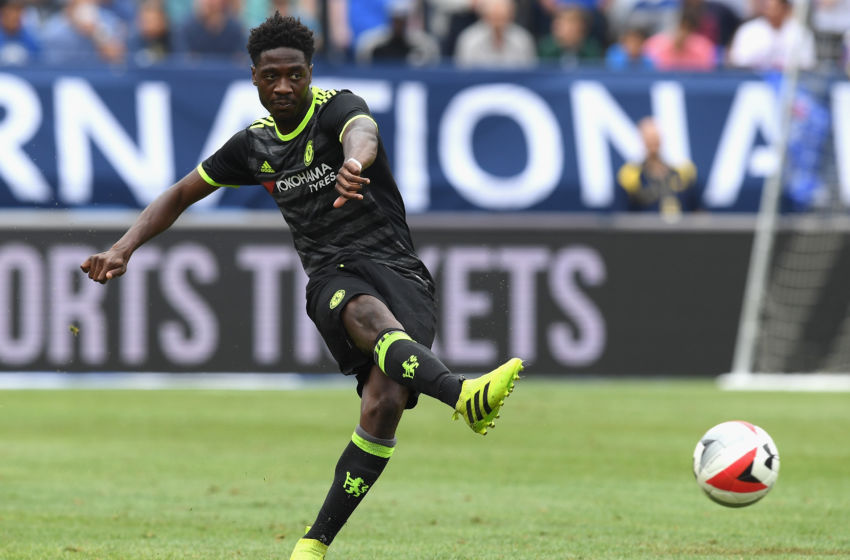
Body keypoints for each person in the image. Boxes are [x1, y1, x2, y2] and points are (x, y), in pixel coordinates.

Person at [80, 13, 524, 560]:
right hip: (331, 277)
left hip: (398, 270)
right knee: (361, 313)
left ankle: (313, 543)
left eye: (295, 75)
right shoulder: (254, 147)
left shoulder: (335, 108)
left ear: (311, 73)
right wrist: (123, 247)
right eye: (272, 77)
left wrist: (355, 162)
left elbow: (364, 132)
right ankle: (461, 394)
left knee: (382, 405)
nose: (284, 86)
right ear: (254, 79)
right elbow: (180, 194)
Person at [617, 116, 698, 220]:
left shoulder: (683, 175)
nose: (653, 143)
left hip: (681, 233)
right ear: (642, 140)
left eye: (655, 138)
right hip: (646, 234)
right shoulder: (630, 178)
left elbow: (698, 212)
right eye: (649, 138)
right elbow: (621, 218)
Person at [727, 0, 816, 70]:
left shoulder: (800, 32)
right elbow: (737, 60)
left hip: (790, 84)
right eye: (768, 7)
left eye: (775, 7)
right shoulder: (748, 30)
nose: (770, 11)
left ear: (784, 8)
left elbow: (807, 63)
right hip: (754, 81)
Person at [454, 0, 537, 67]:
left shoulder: (523, 40)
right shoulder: (469, 39)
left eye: (502, 17)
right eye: (494, 17)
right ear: (484, 16)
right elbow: (462, 75)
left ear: (511, 16)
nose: (498, 23)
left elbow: (530, 73)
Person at [642, 6, 717, 70]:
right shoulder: (653, 45)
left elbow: (706, 77)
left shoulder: (704, 47)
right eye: (681, 26)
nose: (682, 32)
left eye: (688, 28)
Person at [537, 4, 604, 67]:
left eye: (566, 24)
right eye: (558, 24)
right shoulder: (546, 48)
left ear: (580, 27)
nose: (557, 28)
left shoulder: (592, 49)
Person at [0, 0, 40, 65]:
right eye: (9, 15)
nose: (13, 17)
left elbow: (38, 63)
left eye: (17, 15)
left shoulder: (32, 40)